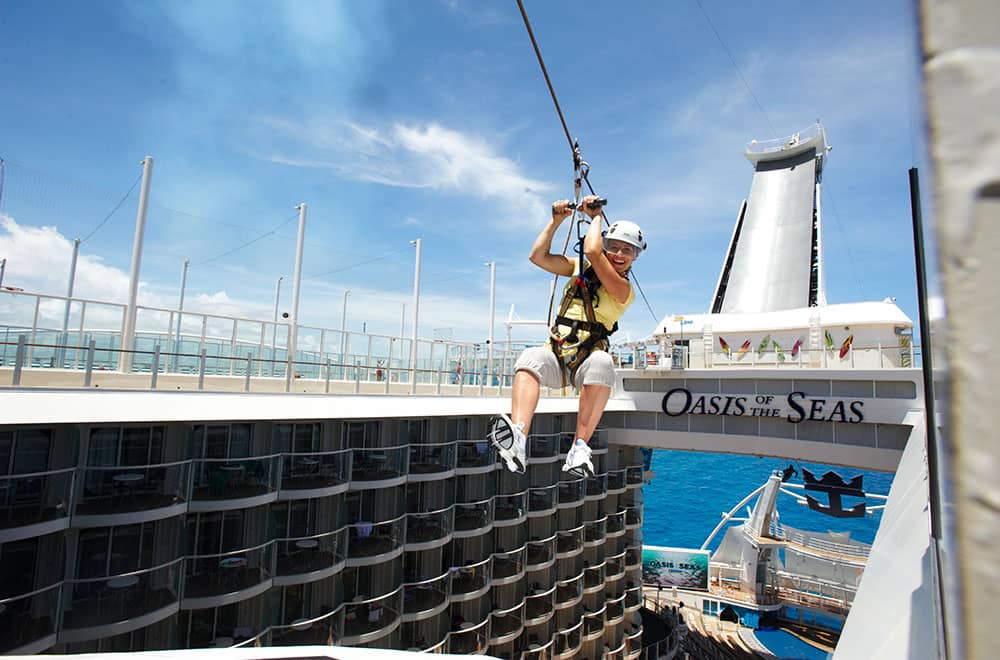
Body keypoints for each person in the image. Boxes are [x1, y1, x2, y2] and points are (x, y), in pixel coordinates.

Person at [489, 195, 646, 476]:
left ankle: (580, 448)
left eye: (628, 250)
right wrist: (556, 221)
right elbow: (537, 257)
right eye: (614, 246)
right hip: (557, 352)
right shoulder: (579, 268)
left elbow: (594, 252)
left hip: (586, 360)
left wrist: (596, 217)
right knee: (531, 358)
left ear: (635, 257)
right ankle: (518, 438)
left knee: (602, 363)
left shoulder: (624, 290)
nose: (619, 255)